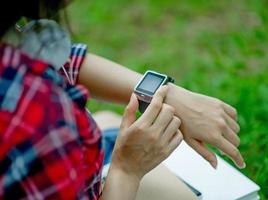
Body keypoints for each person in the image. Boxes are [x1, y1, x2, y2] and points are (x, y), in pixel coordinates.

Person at [0, 1, 245, 199]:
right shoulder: (43, 118)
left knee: (107, 120)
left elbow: (63, 60)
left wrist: (166, 93)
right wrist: (126, 170)